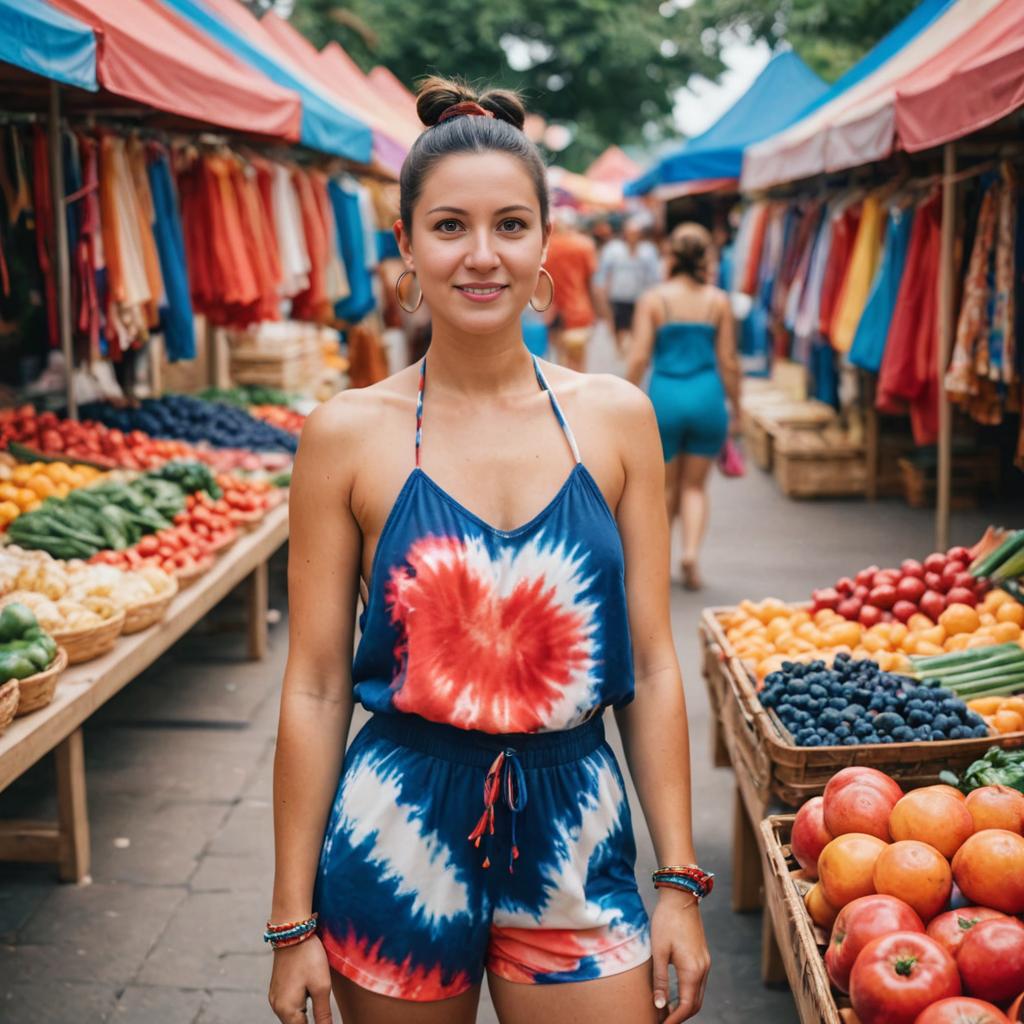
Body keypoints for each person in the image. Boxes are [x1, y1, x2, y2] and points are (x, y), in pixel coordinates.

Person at [268, 76, 711, 1024]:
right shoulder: (346, 434)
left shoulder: (618, 421)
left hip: (578, 824)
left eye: (511, 225)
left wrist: (677, 879)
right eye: (449, 227)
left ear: (546, 245)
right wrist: (290, 921)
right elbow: (312, 685)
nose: (481, 256)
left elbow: (656, 665)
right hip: (397, 828)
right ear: (406, 247)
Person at [626, 223, 740, 592]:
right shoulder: (718, 301)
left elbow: (640, 356)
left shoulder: (654, 299)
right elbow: (728, 360)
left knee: (664, 491)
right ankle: (690, 553)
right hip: (707, 397)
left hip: (665, 399)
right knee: (695, 488)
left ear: (670, 255)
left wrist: (623, 398)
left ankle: (657, 563)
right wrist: (736, 405)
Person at [543, 207, 600, 372]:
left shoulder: (545, 247)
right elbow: (590, 283)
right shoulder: (584, 245)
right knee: (578, 368)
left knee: (556, 363)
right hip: (578, 312)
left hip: (550, 311)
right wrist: (597, 312)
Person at [595, 218, 662, 354]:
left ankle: (632, 353)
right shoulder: (613, 250)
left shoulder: (648, 251)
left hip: (640, 298)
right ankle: (622, 353)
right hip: (619, 297)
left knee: (638, 328)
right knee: (620, 328)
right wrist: (601, 297)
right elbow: (602, 274)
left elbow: (654, 276)